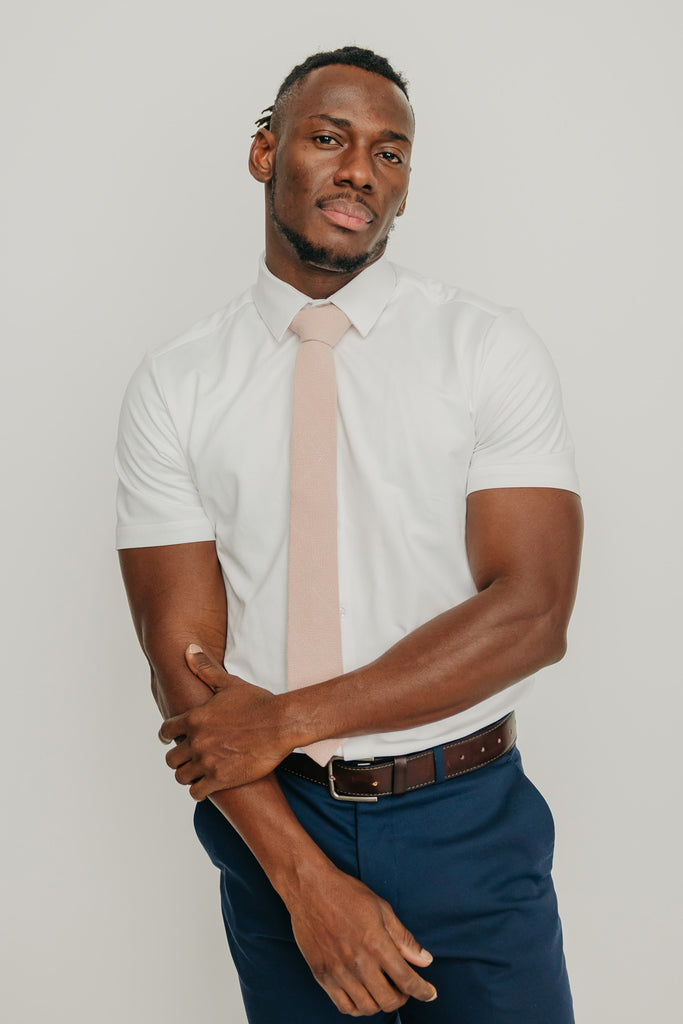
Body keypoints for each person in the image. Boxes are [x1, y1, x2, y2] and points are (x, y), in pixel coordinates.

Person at [116, 45, 582, 1024]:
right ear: (264, 153)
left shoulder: (485, 348)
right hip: (276, 818)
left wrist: (287, 717)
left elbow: (531, 614)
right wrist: (301, 879)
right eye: (328, 138)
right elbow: (184, 665)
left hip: (467, 812)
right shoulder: (177, 383)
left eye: (390, 152)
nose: (360, 170)